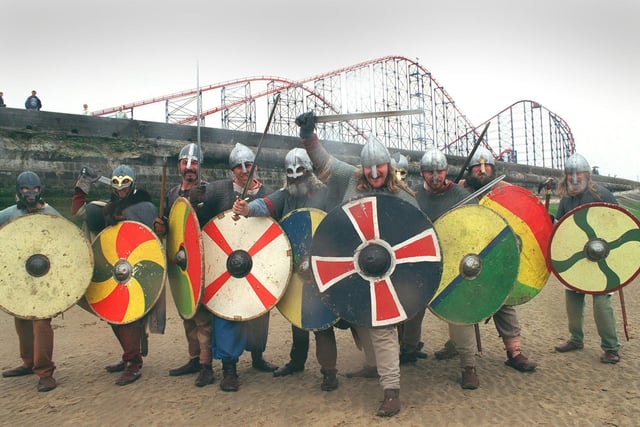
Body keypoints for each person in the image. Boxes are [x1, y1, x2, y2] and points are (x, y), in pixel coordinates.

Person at [296, 111, 417, 417]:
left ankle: (391, 391)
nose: (374, 171)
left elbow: (417, 234)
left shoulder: (401, 195)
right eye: (369, 166)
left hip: (388, 271)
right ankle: (372, 366)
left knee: (384, 327)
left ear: (388, 167)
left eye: (380, 166)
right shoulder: (350, 176)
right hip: (353, 265)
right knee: (360, 317)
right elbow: (322, 161)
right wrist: (309, 137)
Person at [232, 147, 339, 391]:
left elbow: (338, 225)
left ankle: (329, 371)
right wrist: (247, 209)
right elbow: (266, 204)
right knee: (297, 316)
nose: (294, 175)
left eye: (300, 170)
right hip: (295, 266)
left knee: (322, 322)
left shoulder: (325, 195)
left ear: (309, 171)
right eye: (290, 172)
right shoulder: (286, 195)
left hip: (321, 265)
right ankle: (297, 361)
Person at [435, 147, 537, 372]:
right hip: (465, 253)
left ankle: (515, 352)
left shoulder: (504, 191)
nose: (482, 171)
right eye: (477, 168)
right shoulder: (461, 191)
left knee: (503, 300)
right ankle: (456, 344)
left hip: (495, 254)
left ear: (493, 169)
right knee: (458, 300)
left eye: (487, 167)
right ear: (470, 170)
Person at [197, 142, 278, 392]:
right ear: (232, 170)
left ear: (256, 166)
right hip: (226, 264)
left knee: (257, 313)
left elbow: (277, 226)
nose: (244, 170)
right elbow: (199, 222)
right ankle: (229, 370)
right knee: (227, 314)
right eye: (238, 166)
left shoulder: (269, 192)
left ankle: (257, 357)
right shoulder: (219, 191)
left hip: (258, 261)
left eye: (248, 165)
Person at [71, 164, 159, 385]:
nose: (121, 188)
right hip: (115, 267)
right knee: (112, 314)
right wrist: (83, 185)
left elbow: (139, 227)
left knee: (127, 316)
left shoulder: (145, 206)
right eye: (117, 183)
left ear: (133, 183)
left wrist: (112, 214)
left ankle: (133, 363)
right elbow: (79, 213)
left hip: (137, 269)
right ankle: (131, 355)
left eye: (125, 183)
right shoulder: (109, 206)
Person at [411, 148, 480, 389]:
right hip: (422, 261)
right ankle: (408, 350)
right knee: (411, 306)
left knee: (458, 311)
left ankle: (468, 365)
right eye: (429, 172)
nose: (435, 176)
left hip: (453, 262)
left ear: (446, 170)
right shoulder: (414, 195)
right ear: (422, 173)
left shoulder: (461, 195)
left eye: (439, 171)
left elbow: (475, 226)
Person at [153, 143, 214, 387]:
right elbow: (173, 225)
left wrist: (202, 204)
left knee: (201, 318)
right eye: (185, 163)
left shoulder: (209, 191)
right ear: (179, 165)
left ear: (200, 166)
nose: (189, 168)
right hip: (179, 261)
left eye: (194, 163)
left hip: (200, 260)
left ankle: (206, 365)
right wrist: (161, 227)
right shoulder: (172, 193)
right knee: (186, 313)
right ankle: (193, 357)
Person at [553, 153, 621, 363]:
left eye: (578, 174)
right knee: (572, 299)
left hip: (602, 257)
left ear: (587, 175)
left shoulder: (602, 195)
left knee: (601, 302)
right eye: (570, 174)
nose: (574, 178)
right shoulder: (566, 200)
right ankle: (576, 338)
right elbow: (559, 228)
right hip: (577, 258)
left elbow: (618, 223)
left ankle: (611, 347)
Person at [0, 171, 59, 392]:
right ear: (19, 190)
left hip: (45, 277)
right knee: (22, 319)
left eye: (34, 189)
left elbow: (66, 241)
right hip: (20, 277)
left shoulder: (50, 214)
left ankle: (45, 372)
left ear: (40, 189)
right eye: (26, 189)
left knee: (41, 322)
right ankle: (28, 362)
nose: (30, 194)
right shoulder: (9, 215)